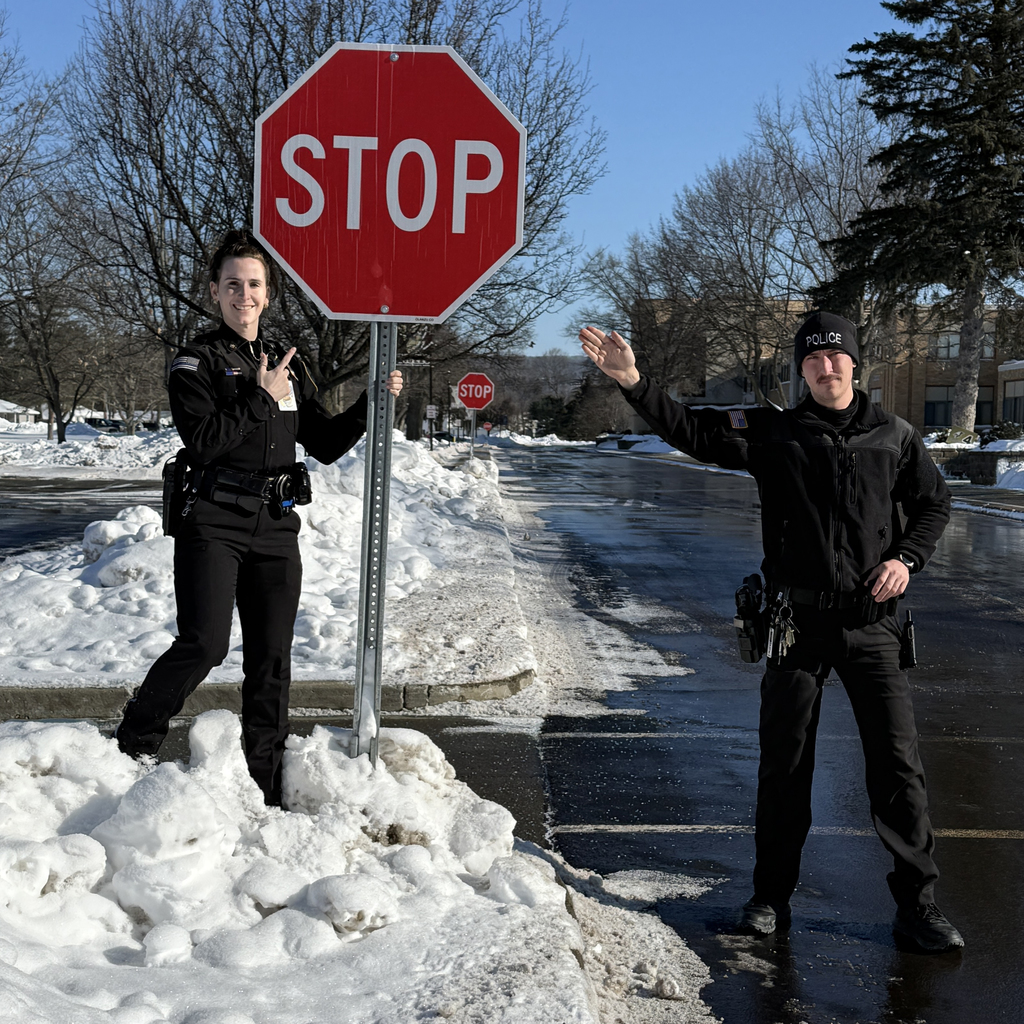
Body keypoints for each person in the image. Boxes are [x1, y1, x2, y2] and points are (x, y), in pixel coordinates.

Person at [579, 311, 964, 954]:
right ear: (801, 369)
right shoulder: (774, 433)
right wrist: (635, 382)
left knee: (898, 770)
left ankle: (918, 908)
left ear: (853, 363)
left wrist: (905, 560)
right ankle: (770, 900)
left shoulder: (893, 436)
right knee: (784, 768)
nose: (826, 366)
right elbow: (697, 434)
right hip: (797, 626)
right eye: (813, 359)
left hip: (872, 626)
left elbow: (934, 504)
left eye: (835, 356)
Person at [116, 230, 402, 806]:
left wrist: (372, 402)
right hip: (213, 522)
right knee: (206, 644)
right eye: (232, 285)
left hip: (276, 524)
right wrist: (261, 399)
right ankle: (133, 741)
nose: (243, 295)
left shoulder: (287, 364)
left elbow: (323, 443)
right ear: (216, 292)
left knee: (272, 658)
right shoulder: (195, 362)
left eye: (253, 285)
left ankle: (266, 780)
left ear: (268, 294)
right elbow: (202, 442)